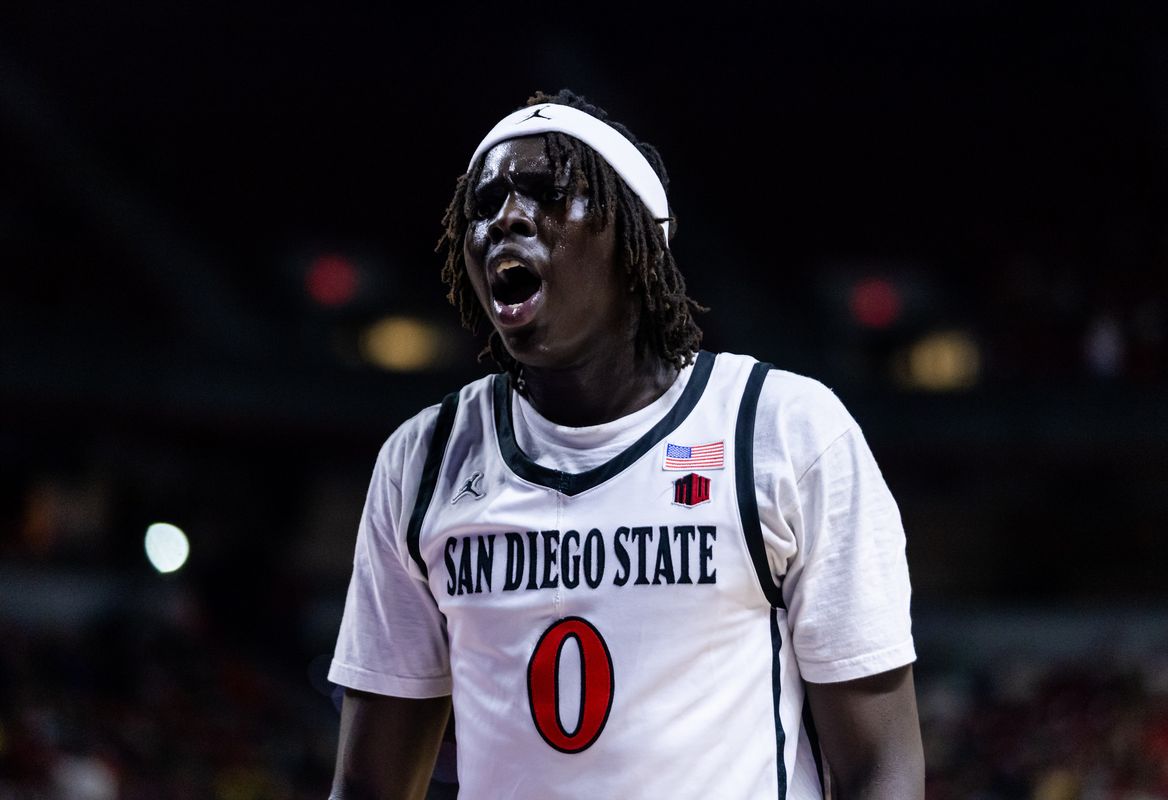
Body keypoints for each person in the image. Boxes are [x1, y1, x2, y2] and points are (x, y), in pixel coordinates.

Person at [328, 89, 924, 800]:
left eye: (547, 193)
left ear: (634, 240)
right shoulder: (423, 460)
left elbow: (880, 769)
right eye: (483, 207)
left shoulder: (781, 429)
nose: (506, 218)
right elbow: (370, 784)